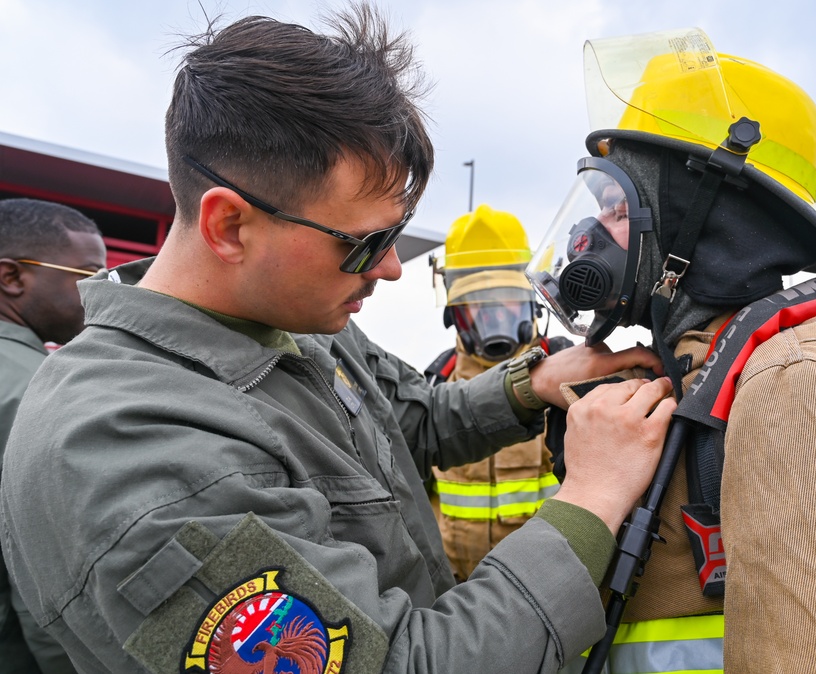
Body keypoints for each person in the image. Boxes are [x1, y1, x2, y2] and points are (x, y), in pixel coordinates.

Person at [0, 7, 675, 673]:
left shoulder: (294, 317)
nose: (388, 268)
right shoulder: (131, 455)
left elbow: (407, 419)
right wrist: (592, 495)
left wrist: (529, 387)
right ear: (230, 226)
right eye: (365, 244)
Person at [526, 27, 816, 673]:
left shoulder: (811, 392)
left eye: (613, 206)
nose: (588, 236)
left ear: (700, 217)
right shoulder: (708, 378)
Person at [425, 204, 572, 581]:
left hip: (549, 593)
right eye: (478, 307)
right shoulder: (431, 389)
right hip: (456, 599)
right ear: (453, 313)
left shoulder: (567, 382)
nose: (494, 322)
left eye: (507, 304)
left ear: (532, 303)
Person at [0, 198, 105, 674]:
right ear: (12, 278)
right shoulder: (36, 391)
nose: (100, 291)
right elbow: (47, 579)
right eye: (88, 274)